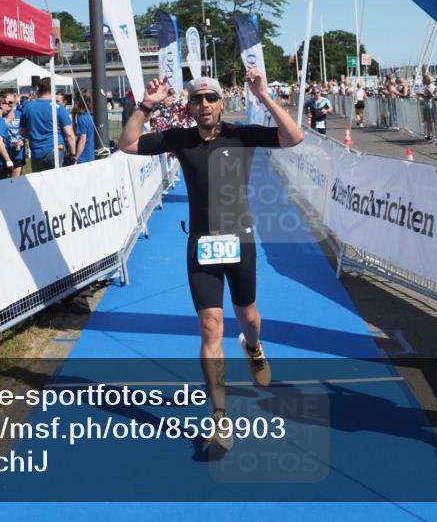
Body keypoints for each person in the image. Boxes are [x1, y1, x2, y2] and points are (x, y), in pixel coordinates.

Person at [118, 69, 303, 453]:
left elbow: (293, 136)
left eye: (211, 99)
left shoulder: (241, 134)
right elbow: (129, 143)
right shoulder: (181, 139)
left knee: (248, 315)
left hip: (241, 241)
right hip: (201, 244)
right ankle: (219, 417)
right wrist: (147, 105)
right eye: (197, 100)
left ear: (221, 103)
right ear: (189, 107)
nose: (205, 105)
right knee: (210, 326)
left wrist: (264, 96)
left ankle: (253, 347)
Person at [20, 78, 75, 172]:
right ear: (52, 90)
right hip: (55, 150)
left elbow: (22, 131)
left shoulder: (28, 107)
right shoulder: (58, 107)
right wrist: (73, 153)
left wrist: (35, 135)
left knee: (39, 184)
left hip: (37, 152)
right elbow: (69, 134)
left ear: (38, 90)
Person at [72, 90, 96, 164]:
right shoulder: (92, 116)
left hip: (84, 156)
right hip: (92, 154)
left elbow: (82, 140)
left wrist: (77, 156)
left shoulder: (82, 118)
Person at [6, 94, 26, 178]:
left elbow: (27, 130)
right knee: (4, 180)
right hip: (5, 151)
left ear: (15, 102)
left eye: (10, 102)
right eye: (5, 103)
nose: (8, 105)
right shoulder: (1, 115)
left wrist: (23, 140)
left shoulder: (21, 114)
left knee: (16, 179)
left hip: (18, 151)